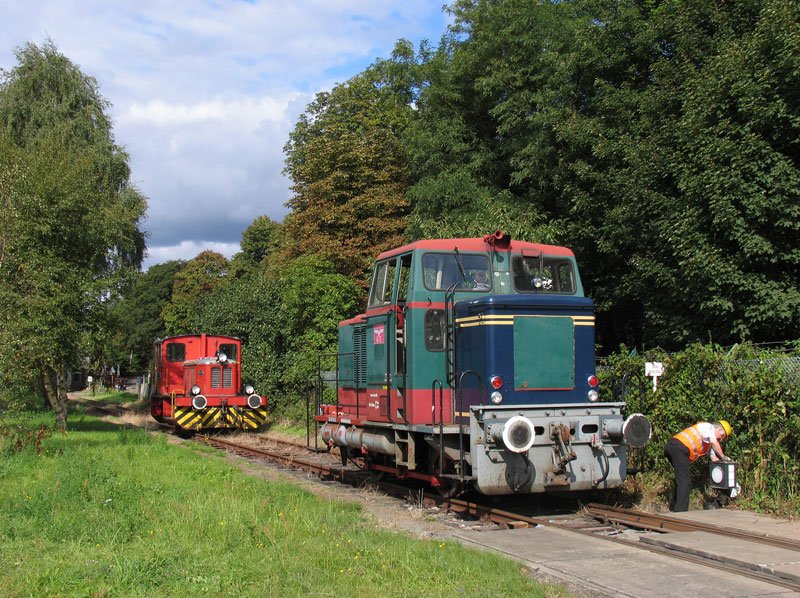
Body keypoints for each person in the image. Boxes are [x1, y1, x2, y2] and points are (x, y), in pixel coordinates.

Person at [664, 420, 732, 512]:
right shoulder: (708, 427)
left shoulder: (708, 443)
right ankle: (681, 512)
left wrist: (727, 469)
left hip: (675, 449)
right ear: (719, 429)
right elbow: (715, 443)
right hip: (677, 447)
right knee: (685, 482)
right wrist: (723, 457)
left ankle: (675, 508)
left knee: (681, 480)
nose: (721, 439)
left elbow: (714, 459)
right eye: (723, 436)